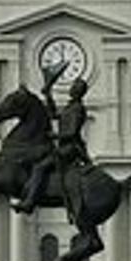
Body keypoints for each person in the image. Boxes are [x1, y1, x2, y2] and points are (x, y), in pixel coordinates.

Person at [14, 72, 89, 217]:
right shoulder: (70, 107)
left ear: (79, 92)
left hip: (70, 149)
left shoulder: (78, 108)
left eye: (75, 87)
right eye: (73, 86)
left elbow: (72, 133)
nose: (72, 89)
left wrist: (54, 135)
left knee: (39, 167)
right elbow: (53, 114)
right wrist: (48, 94)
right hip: (63, 147)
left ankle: (29, 202)